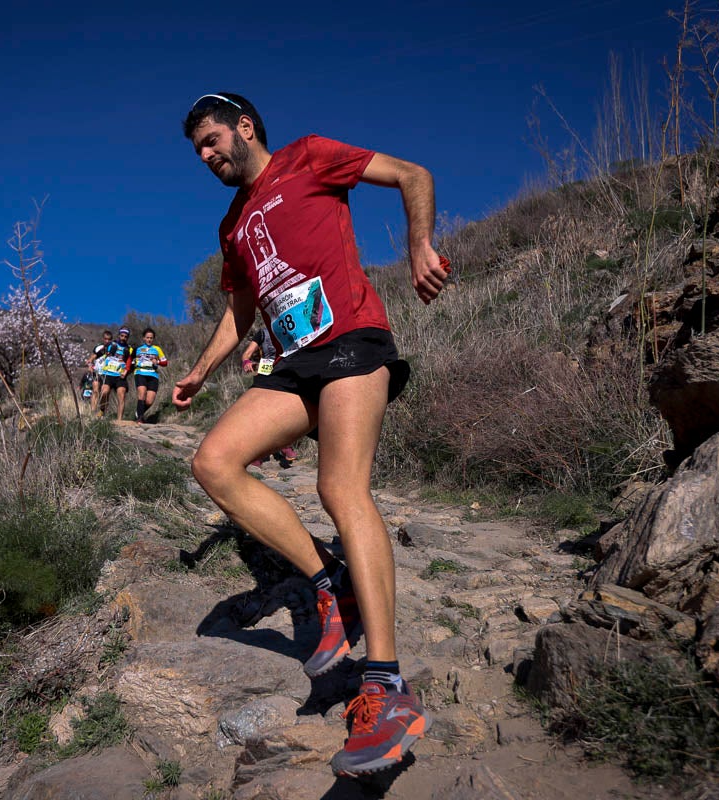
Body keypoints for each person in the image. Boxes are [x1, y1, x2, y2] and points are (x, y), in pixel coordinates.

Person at [172, 92, 450, 777]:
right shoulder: (233, 225)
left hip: (352, 339)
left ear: (245, 127)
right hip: (294, 363)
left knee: (339, 489)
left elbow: (412, 174)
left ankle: (386, 686)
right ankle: (332, 583)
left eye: (212, 141)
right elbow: (240, 310)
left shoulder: (310, 157)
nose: (205, 156)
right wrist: (201, 372)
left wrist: (419, 246)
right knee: (213, 462)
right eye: (197, 151)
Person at [241, 327, 297, 464]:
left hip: (284, 371)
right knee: (261, 413)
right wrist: (247, 362)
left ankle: (285, 445)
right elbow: (246, 354)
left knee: (282, 412)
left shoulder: (289, 327)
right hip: (266, 370)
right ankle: (258, 454)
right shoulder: (263, 333)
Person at [132, 327, 168, 423]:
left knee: (149, 401)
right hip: (140, 373)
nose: (149, 339)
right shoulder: (138, 349)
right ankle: (140, 418)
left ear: (153, 339)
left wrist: (158, 362)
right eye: (147, 337)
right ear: (144, 338)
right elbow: (130, 360)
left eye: (151, 338)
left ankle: (139, 412)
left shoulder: (157, 349)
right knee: (142, 393)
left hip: (153, 375)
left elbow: (165, 362)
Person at [98, 327, 135, 421]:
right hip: (108, 373)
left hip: (120, 376)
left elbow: (129, 362)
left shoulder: (129, 349)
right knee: (104, 392)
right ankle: (102, 410)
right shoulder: (111, 344)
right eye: (122, 336)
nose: (123, 338)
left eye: (126, 337)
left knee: (121, 395)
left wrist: (126, 371)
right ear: (118, 335)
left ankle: (119, 420)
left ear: (128, 338)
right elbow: (100, 354)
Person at [87, 330, 112, 415]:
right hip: (97, 372)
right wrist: (90, 365)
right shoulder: (98, 347)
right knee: (95, 390)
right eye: (105, 339)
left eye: (109, 339)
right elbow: (92, 358)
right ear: (103, 339)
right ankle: (92, 412)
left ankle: (102, 411)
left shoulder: (113, 348)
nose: (107, 341)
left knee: (105, 393)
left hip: (107, 373)